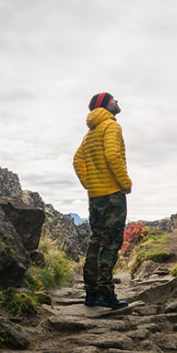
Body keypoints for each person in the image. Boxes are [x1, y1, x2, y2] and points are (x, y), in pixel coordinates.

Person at [73, 92, 132, 309]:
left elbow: (77, 160)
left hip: (95, 196)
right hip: (112, 196)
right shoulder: (111, 126)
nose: (117, 101)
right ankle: (106, 294)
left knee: (95, 241)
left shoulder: (90, 133)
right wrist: (125, 183)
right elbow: (113, 156)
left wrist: (90, 183)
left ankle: (91, 294)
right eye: (113, 99)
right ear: (105, 105)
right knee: (110, 244)